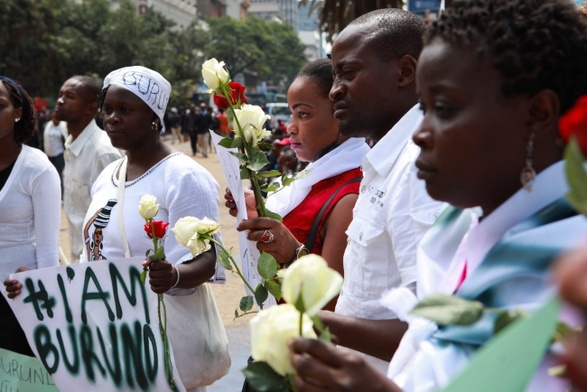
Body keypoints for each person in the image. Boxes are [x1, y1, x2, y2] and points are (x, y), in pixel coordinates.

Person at [289, 1, 587, 391]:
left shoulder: (568, 265)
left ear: (538, 112)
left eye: (444, 108)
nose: (420, 133)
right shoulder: (466, 229)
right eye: (424, 108)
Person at [312, 8, 443, 373]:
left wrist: (313, 325)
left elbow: (432, 330)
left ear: (405, 72)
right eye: (334, 74)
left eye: (348, 73)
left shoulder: (419, 167)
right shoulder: (385, 158)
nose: (334, 90)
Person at [82, 66, 225, 391]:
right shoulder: (109, 176)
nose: (112, 118)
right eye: (108, 110)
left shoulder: (184, 177)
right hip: (108, 339)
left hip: (161, 343)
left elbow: (211, 259)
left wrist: (173, 275)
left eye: (125, 110)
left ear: (154, 118)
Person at [228, 58, 370, 281]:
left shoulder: (350, 195)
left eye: (303, 114)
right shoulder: (311, 178)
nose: (290, 127)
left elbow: (335, 299)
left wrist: (293, 253)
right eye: (291, 114)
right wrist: (259, 214)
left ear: (340, 114)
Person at [1, 76, 61, 356]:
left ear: (18, 113)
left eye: (0, 105)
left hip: (18, 300)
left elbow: (49, 252)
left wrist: (39, 283)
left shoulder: (37, 168)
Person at [55, 75, 123, 264]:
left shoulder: (102, 152)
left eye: (69, 96)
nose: (60, 100)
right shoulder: (71, 146)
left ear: (91, 108)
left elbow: (115, 220)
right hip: (80, 261)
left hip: (100, 266)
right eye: (61, 94)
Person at [42, 110, 68, 194]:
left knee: (58, 174)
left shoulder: (63, 126)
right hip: (49, 154)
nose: (55, 120)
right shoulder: (48, 125)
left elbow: (66, 139)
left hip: (59, 153)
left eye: (57, 118)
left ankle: (61, 193)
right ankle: (52, 191)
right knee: (50, 175)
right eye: (53, 118)